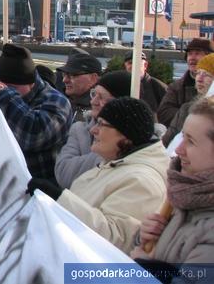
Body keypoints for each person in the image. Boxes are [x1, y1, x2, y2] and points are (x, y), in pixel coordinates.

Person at [29, 97, 169, 253]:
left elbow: (116, 239)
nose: (93, 130)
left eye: (101, 124)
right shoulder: (117, 164)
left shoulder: (142, 181)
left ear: (125, 134)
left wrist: (59, 199)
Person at [0, 44, 72, 184]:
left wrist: (7, 97)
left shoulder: (56, 101)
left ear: (31, 83)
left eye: (12, 87)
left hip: (34, 192)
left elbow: (33, 136)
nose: (2, 89)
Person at [130, 96, 214, 272]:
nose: (178, 149)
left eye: (190, 141)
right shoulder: (183, 195)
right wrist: (143, 237)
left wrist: (146, 270)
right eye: (182, 137)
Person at [55, 70, 132, 188]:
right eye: (93, 94)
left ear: (120, 104)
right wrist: (109, 154)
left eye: (101, 97)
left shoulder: (141, 137)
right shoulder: (80, 129)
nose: (93, 101)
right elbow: (63, 173)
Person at [158, 38, 214, 128]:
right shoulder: (177, 87)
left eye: (197, 53)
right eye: (189, 54)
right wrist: (194, 118)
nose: (192, 58)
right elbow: (164, 113)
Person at [162, 53, 214, 146]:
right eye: (198, 73)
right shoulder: (186, 109)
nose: (199, 79)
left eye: (207, 75)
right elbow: (166, 142)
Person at [56, 51, 102, 122]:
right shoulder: (60, 102)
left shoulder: (100, 113)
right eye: (64, 75)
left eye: (72, 75)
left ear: (93, 79)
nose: (64, 80)